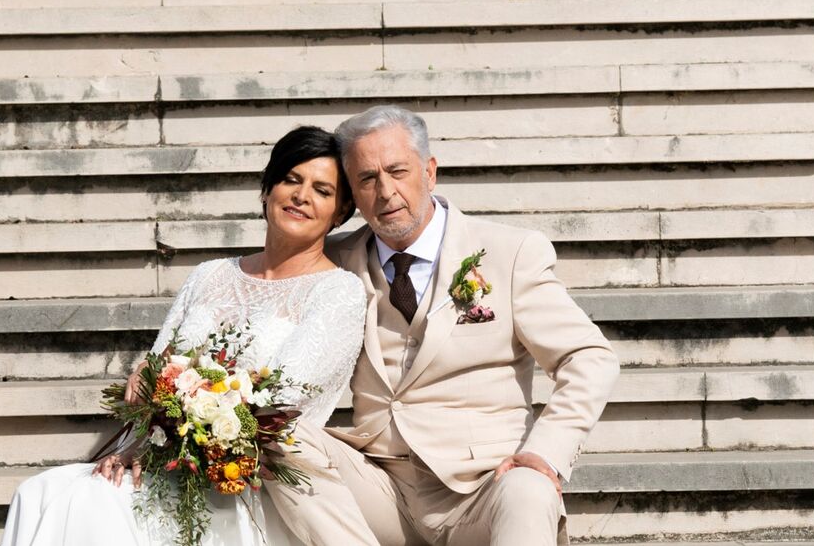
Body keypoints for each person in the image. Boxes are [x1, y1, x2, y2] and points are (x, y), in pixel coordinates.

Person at [266, 105, 620, 546]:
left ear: (430, 172)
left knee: (532, 489)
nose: (386, 191)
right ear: (352, 196)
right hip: (378, 486)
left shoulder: (509, 253)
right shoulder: (333, 261)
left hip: (482, 488)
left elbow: (589, 358)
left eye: (398, 171)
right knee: (274, 435)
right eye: (367, 179)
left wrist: (544, 453)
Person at [0, 125, 367, 546]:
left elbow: (278, 406)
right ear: (267, 190)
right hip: (161, 458)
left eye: (322, 190)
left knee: (92, 505)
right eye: (291, 180)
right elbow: (156, 374)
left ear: (340, 213)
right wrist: (136, 439)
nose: (302, 196)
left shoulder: (338, 292)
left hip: (244, 478)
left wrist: (177, 426)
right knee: (41, 492)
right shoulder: (210, 275)